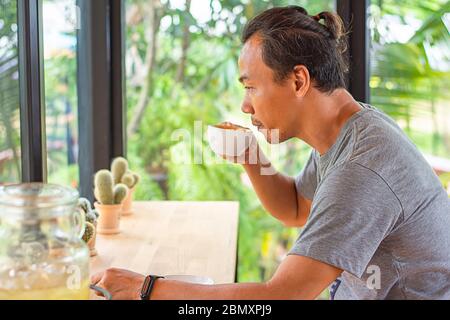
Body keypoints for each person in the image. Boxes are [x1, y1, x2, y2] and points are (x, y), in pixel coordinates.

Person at [91, 6, 450, 300]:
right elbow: (295, 207)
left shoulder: (361, 168)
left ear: (298, 81)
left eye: (251, 87)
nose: (245, 106)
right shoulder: (347, 128)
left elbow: (281, 296)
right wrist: (251, 157)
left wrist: (145, 288)